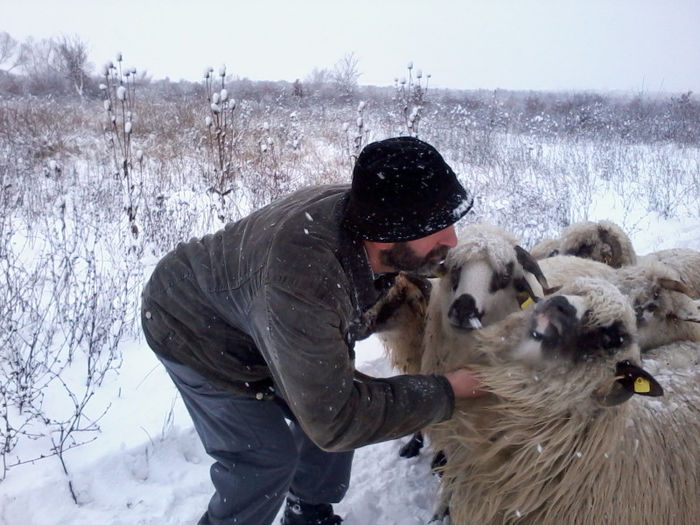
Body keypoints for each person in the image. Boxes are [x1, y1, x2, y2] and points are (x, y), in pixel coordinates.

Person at [141, 136, 483, 525]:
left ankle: (308, 510)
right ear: (388, 233)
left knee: (340, 395)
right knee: (265, 459)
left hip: (260, 311)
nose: (452, 239)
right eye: (436, 227)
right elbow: (338, 420)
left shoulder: (366, 212)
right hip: (193, 328)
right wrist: (449, 390)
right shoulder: (306, 280)